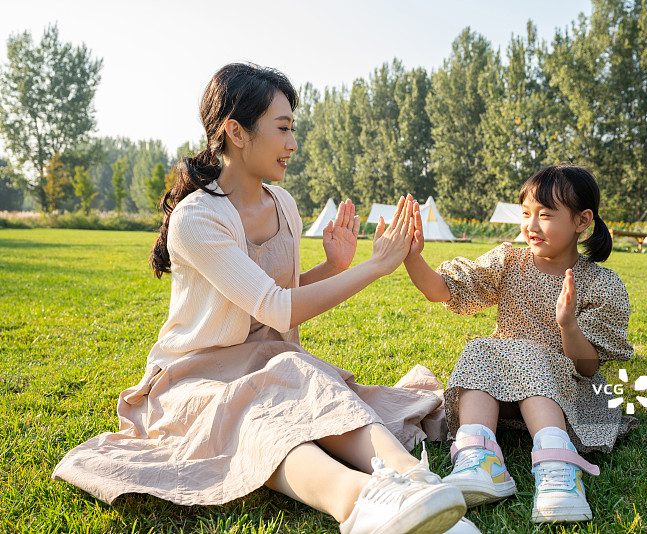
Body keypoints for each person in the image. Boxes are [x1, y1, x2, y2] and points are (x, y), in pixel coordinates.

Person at [52, 63, 480, 534]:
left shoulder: (284, 206)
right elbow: (274, 306)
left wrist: (332, 267)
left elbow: (277, 295)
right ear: (236, 131)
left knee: (320, 391)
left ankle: (416, 479)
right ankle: (360, 503)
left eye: (292, 128)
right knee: (264, 423)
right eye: (282, 128)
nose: (292, 143)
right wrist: (374, 267)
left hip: (270, 360)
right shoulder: (197, 218)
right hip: (196, 376)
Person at [402, 164, 637, 523]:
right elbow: (443, 289)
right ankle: (478, 459)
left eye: (545, 215)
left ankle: (559, 469)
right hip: (505, 398)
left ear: (581, 221)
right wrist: (412, 257)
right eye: (526, 213)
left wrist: (568, 325)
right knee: (482, 347)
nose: (531, 225)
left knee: (528, 353)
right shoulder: (509, 261)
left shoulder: (601, 284)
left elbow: (587, 368)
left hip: (568, 399)